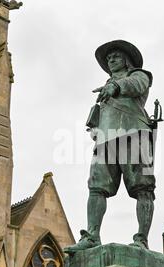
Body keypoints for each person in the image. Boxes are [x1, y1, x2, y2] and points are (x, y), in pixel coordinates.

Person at [64, 40, 157, 253]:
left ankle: (142, 239)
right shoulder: (105, 89)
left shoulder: (140, 75)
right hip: (105, 139)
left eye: (115, 56)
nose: (111, 60)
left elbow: (136, 86)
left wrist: (115, 86)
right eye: (108, 58)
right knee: (96, 187)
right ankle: (92, 236)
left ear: (126, 59)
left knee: (143, 187)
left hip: (135, 134)